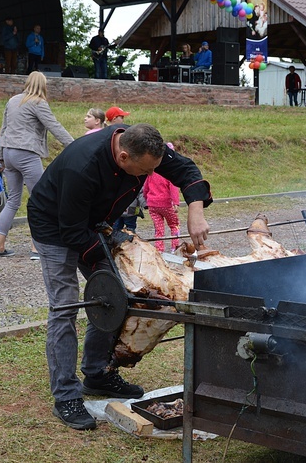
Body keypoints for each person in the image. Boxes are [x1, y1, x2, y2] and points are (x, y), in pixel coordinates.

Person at [26, 122, 212, 431]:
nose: (149, 177)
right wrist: (115, 262)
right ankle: (66, 397)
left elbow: (186, 170)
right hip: (55, 227)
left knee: (116, 296)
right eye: (144, 173)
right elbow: (72, 230)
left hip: (94, 222)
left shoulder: (144, 148)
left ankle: (97, 374)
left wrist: (196, 210)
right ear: (123, 157)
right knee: (66, 307)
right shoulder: (82, 166)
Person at [0, 71, 74, 259]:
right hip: (27, 153)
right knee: (40, 200)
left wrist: (2, 156)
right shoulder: (38, 102)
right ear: (43, 86)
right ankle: (37, 248)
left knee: (13, 201)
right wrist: (76, 145)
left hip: (9, 153)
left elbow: (4, 128)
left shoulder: (12, 100)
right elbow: (55, 126)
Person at [144, 143, 182, 252]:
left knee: (158, 229)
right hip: (166, 204)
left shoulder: (152, 171)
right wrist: (175, 202)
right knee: (174, 225)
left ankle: (159, 250)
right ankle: (174, 248)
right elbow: (173, 188)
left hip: (152, 204)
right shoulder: (170, 173)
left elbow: (146, 188)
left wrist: (147, 199)